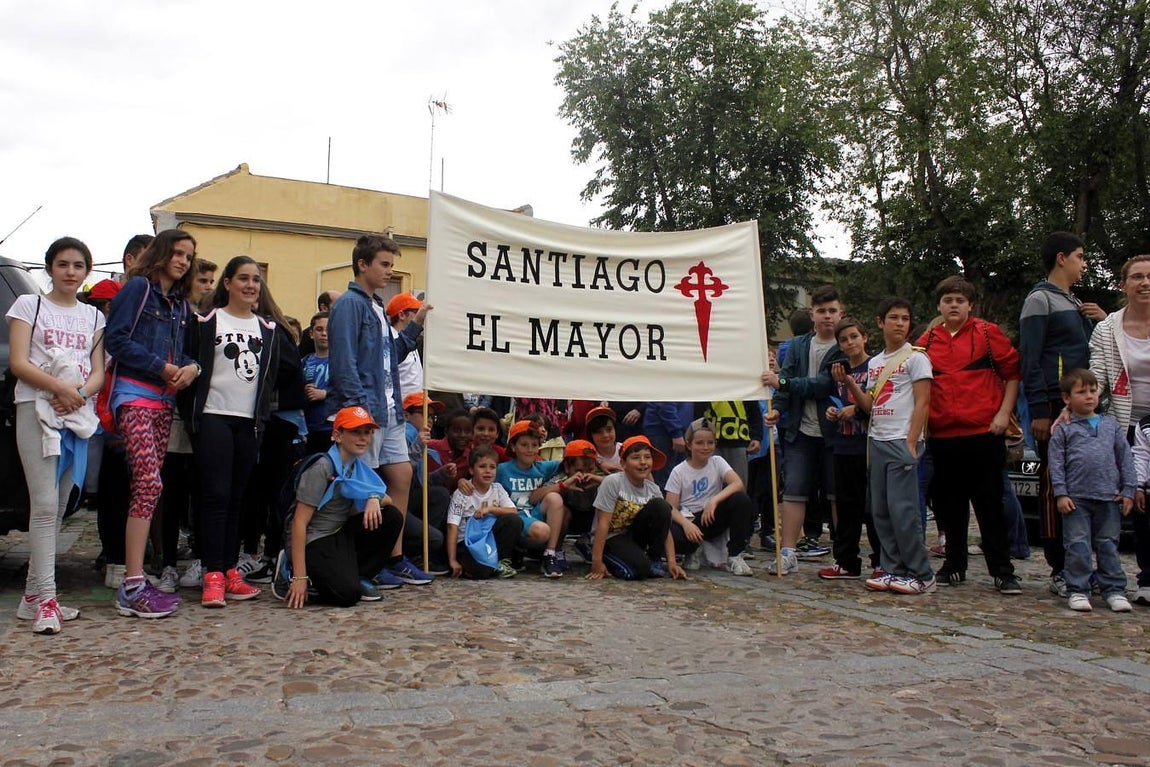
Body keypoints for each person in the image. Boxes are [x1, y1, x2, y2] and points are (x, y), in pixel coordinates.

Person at [8, 237, 105, 634]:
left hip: (76, 413)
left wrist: (78, 394)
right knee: (45, 504)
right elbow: (18, 362)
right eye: (63, 264)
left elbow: (98, 370)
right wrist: (59, 388)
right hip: (37, 408)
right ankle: (47, 597)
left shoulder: (95, 318)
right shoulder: (28, 306)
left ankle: (32, 598)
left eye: (78, 265)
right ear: (49, 268)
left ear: (86, 271)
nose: (70, 271)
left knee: (63, 503)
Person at [327, 234, 433, 585]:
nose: (390, 272)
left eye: (391, 265)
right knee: (365, 486)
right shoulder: (349, 305)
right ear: (363, 264)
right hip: (367, 413)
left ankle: (393, 555)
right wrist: (359, 413)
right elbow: (344, 361)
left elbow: (392, 354)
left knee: (401, 476)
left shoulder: (375, 307)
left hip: (388, 412)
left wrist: (416, 323)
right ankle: (365, 561)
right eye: (384, 264)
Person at [105, 229, 200, 619]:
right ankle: (131, 585)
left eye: (189, 256)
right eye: (177, 253)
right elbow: (117, 340)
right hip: (134, 395)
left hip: (163, 402)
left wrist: (192, 368)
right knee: (148, 482)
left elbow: (191, 353)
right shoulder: (138, 288)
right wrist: (160, 367)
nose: (183, 260)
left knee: (146, 491)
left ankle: (136, 580)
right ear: (161, 253)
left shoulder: (180, 304)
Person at [917, 276, 1023, 594]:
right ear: (939, 305)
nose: (954, 305)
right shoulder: (927, 341)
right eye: (948, 300)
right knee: (950, 507)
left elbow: (1012, 373)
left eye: (960, 300)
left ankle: (1002, 570)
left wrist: (1003, 414)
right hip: (944, 435)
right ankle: (954, 565)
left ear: (970, 305)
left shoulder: (989, 333)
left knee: (990, 504)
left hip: (983, 431)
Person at [184, 255, 278, 608]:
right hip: (213, 417)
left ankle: (229, 570)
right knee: (215, 497)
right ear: (227, 283)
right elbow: (191, 365)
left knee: (238, 498)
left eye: (256, 279)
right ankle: (212, 572)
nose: (251, 285)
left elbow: (268, 382)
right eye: (243, 278)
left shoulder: (267, 330)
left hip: (247, 421)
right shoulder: (207, 321)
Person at [1019, 231, 1105, 596]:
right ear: (1061, 258)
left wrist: (1101, 319)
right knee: (1056, 485)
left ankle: (1088, 565)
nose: (1084, 264)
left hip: (1084, 406)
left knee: (1087, 483)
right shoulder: (1040, 300)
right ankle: (1061, 568)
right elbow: (1031, 357)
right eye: (1080, 256)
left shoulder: (1074, 302)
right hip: (1054, 407)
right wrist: (1039, 409)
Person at [836, 297, 935, 595]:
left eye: (905, 319)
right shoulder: (877, 362)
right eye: (894, 318)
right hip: (876, 440)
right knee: (880, 510)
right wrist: (852, 385)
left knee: (903, 510)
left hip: (901, 440)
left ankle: (921, 572)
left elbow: (923, 401)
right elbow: (869, 404)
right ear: (881, 322)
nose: (900, 324)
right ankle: (892, 568)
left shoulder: (917, 358)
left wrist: (912, 440)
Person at [277, 406, 405, 607]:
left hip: (338, 531)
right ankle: (293, 570)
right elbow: (299, 523)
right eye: (355, 432)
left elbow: (386, 499)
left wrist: (372, 497)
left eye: (367, 432)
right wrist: (300, 578)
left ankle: (359, 576)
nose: (363, 438)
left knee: (391, 517)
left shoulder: (356, 464)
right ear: (337, 435)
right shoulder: (323, 467)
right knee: (347, 596)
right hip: (315, 538)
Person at [761, 285, 847, 574]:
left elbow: (822, 385)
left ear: (841, 313)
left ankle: (842, 553)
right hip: (799, 430)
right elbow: (785, 379)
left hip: (835, 432)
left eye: (832, 311)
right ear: (812, 314)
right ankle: (787, 552)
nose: (827, 316)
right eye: (821, 311)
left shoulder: (844, 345)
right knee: (794, 491)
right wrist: (776, 409)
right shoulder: (797, 345)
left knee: (837, 494)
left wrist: (782, 384)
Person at [1090, 253, 1150, 606]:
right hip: (1124, 424)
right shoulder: (1106, 329)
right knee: (1134, 503)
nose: (1145, 283)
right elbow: (1098, 375)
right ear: (1124, 284)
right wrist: (1080, 407)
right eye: (1137, 277)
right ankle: (1140, 579)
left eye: (1149, 277)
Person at [1051, 370, 1135, 612]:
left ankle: (1114, 589)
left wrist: (1128, 489)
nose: (1089, 397)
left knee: (1108, 543)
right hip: (1076, 499)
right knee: (1077, 545)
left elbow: (1125, 458)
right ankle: (1078, 588)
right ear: (1067, 398)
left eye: (1092, 391)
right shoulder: (1064, 429)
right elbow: (1056, 463)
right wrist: (1061, 493)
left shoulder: (1111, 427)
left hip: (1109, 497)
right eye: (1081, 392)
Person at [822, 317, 880, 580]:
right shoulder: (837, 371)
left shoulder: (875, 366)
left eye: (854, 337)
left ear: (865, 337)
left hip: (868, 444)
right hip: (844, 444)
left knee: (873, 507)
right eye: (844, 339)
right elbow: (834, 399)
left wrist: (855, 410)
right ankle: (846, 560)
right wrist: (833, 411)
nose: (850, 343)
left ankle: (880, 559)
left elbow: (877, 403)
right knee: (846, 507)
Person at [586, 435, 687, 581]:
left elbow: (666, 527)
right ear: (623, 463)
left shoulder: (653, 489)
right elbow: (603, 523)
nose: (643, 463)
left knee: (662, 505)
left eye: (647, 457)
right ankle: (599, 554)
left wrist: (672, 563)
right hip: (611, 537)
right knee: (640, 571)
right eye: (636, 458)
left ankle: (654, 559)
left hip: (634, 537)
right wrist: (597, 562)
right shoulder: (613, 482)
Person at [665, 418, 755, 575]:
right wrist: (687, 525)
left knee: (741, 500)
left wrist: (714, 500)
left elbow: (737, 483)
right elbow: (670, 507)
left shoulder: (717, 462)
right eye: (699, 443)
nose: (705, 447)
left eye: (710, 443)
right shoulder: (679, 471)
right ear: (689, 444)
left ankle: (735, 555)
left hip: (711, 516)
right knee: (671, 531)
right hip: (690, 520)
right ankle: (691, 551)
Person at [445, 446, 523, 579]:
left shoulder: (497, 489)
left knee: (513, 520)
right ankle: (475, 566)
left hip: (489, 538)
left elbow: (513, 511)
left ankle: (502, 562)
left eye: (492, 467)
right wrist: (452, 560)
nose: (488, 471)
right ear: (471, 470)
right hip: (467, 542)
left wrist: (490, 509)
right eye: (482, 466)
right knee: (483, 573)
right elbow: (452, 526)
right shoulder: (462, 493)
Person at [535, 438, 606, 577]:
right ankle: (555, 550)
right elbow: (535, 496)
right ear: (567, 467)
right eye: (579, 470)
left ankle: (588, 543)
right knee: (563, 511)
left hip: (592, 520)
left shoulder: (599, 477)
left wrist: (600, 481)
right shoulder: (561, 478)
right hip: (569, 520)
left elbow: (622, 486)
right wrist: (562, 487)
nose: (585, 475)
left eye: (590, 470)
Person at [495, 420, 560, 557]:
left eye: (534, 445)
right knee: (542, 531)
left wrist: (599, 464)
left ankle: (551, 554)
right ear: (513, 446)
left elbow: (570, 461)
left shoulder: (543, 467)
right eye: (524, 445)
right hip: (513, 519)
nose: (530, 450)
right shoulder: (502, 469)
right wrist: (463, 481)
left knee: (555, 498)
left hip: (534, 513)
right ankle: (516, 549)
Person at [302, 311, 332, 455]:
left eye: (328, 329)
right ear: (311, 333)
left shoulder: (342, 362)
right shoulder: (304, 361)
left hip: (332, 428)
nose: (324, 334)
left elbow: (350, 390)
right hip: (308, 429)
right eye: (319, 329)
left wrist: (325, 394)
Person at [386, 292, 425, 399]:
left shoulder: (410, 339)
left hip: (414, 408)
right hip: (402, 409)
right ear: (402, 315)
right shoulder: (390, 342)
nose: (421, 316)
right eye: (416, 312)